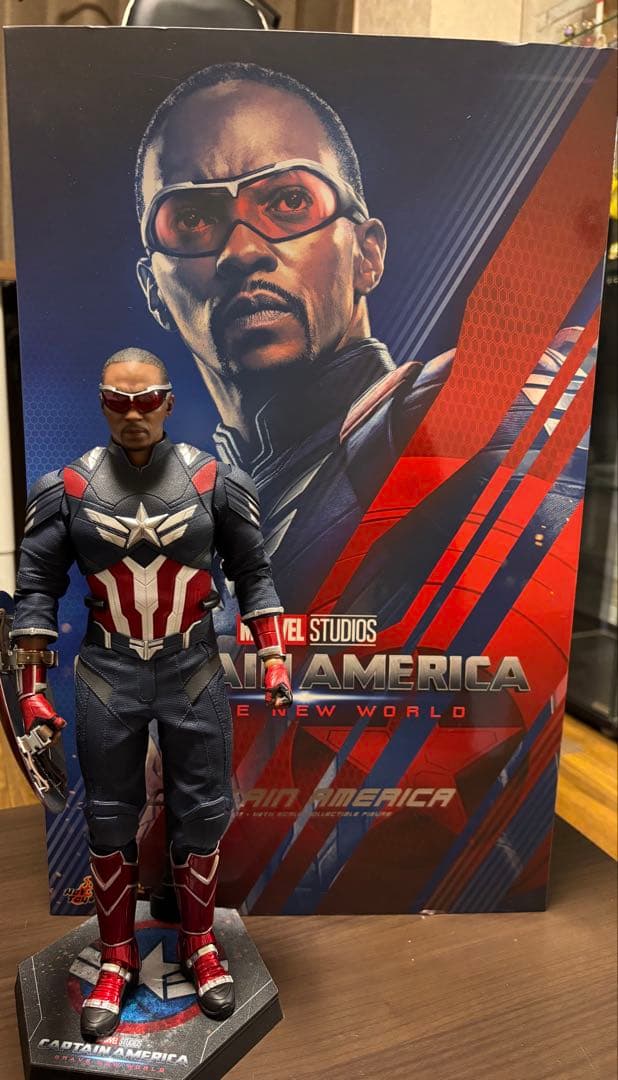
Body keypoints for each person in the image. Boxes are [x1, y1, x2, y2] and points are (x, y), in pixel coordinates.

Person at [11, 347, 292, 1040]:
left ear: (167, 400)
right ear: (102, 401)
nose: (133, 414)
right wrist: (31, 689)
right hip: (109, 672)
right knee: (109, 820)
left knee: (204, 812)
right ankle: (116, 956)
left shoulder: (215, 481)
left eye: (145, 400)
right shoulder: (67, 487)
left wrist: (274, 654)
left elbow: (254, 573)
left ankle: (200, 942)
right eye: (119, 400)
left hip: (193, 666)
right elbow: (36, 591)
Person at [134, 63, 454, 614]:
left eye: (288, 201)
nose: (242, 251)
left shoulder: (448, 418)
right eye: (190, 218)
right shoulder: (191, 510)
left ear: (367, 255)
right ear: (154, 291)